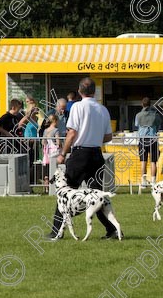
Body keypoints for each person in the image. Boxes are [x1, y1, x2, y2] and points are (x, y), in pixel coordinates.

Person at [46, 77, 120, 240]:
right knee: (97, 195)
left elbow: (72, 133)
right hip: (96, 155)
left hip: (80, 155)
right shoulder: (103, 109)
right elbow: (108, 137)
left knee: (64, 193)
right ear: (94, 91)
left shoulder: (77, 107)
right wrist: (94, 136)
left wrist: (62, 154)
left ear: (79, 91)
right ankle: (112, 230)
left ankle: (56, 231)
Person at [135, 97, 161, 186]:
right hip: (153, 138)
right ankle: (153, 181)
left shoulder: (138, 115)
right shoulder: (155, 115)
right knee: (153, 161)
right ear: (150, 104)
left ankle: (143, 181)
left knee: (143, 161)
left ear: (142, 104)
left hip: (143, 139)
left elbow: (136, 125)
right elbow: (158, 126)